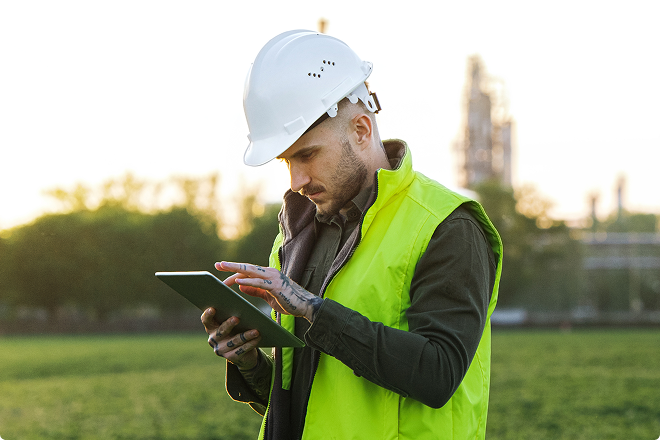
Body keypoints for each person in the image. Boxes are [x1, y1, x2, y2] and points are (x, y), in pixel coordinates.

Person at [201, 30, 503, 440]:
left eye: (307, 154)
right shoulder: (297, 233)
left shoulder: (447, 225)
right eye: (287, 160)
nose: (297, 180)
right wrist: (250, 360)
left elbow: (438, 374)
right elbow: (301, 398)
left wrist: (313, 310)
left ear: (361, 129)